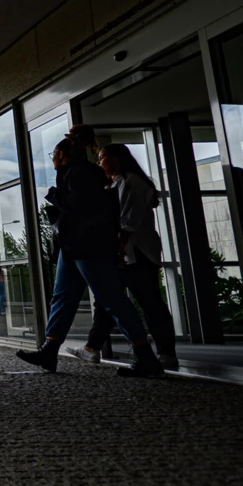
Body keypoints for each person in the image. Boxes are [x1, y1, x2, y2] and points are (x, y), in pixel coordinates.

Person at [16, 128, 164, 377]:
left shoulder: (79, 173)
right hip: (76, 246)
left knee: (110, 298)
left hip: (86, 245)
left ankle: (145, 355)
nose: (52, 159)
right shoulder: (83, 172)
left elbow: (78, 205)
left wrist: (54, 195)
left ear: (61, 154)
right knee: (67, 297)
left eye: (53, 154)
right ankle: (50, 349)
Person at [66, 143, 179, 369]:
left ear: (116, 159)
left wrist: (118, 250)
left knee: (145, 302)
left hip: (135, 252)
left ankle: (165, 352)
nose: (99, 162)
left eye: (102, 158)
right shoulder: (119, 183)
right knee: (113, 301)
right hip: (129, 252)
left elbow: (128, 222)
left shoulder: (130, 182)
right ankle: (93, 347)